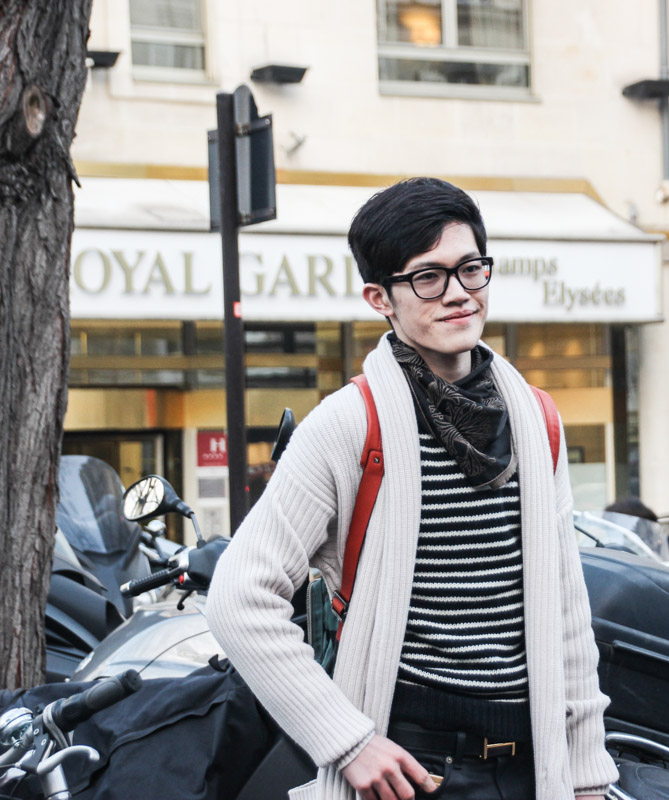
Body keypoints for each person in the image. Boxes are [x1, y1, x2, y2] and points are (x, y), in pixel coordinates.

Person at [207, 178, 618, 800]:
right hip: (411, 765)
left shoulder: (536, 420)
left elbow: (566, 611)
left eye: (471, 269)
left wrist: (586, 774)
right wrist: (347, 741)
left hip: (531, 766)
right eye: (428, 277)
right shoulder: (349, 423)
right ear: (381, 298)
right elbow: (238, 597)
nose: (457, 294)